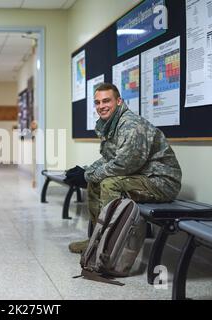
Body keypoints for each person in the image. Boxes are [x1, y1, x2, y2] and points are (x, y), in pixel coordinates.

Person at [64, 83, 182, 254]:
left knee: (109, 184)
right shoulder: (112, 123)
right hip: (141, 177)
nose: (101, 106)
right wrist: (87, 172)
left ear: (118, 101)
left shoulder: (131, 126)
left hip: (160, 182)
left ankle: (110, 248)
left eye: (106, 101)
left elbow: (124, 165)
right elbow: (109, 158)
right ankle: (98, 239)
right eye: (97, 103)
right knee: (95, 182)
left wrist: (88, 175)